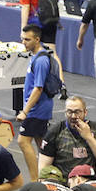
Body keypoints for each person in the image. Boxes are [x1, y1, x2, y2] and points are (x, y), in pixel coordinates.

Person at [15, 24, 58, 176]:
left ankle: (36, 179)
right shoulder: (38, 55)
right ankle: (51, 175)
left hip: (36, 110)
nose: (23, 43)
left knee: (23, 141)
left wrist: (25, 111)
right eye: (22, 39)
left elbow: (38, 88)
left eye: (27, 39)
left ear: (37, 39)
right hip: (40, 109)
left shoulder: (40, 61)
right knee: (43, 147)